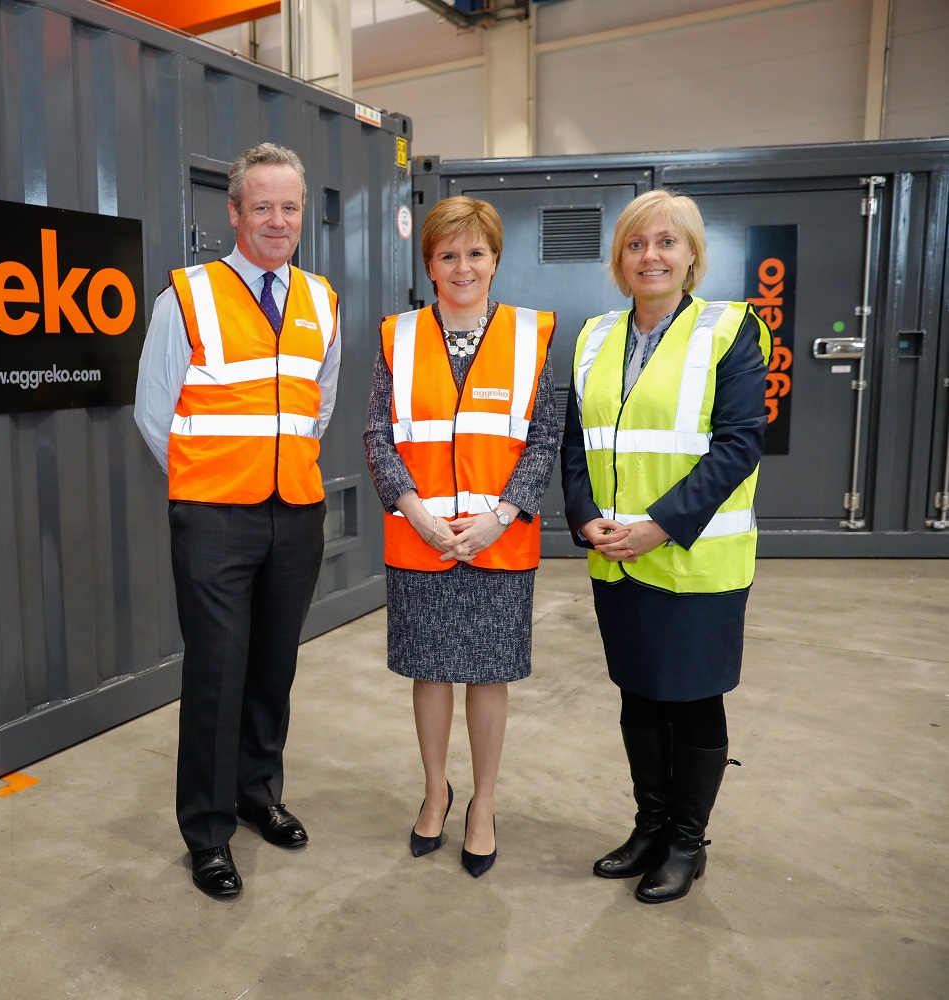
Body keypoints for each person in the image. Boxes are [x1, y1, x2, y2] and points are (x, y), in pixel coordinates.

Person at [134, 142, 341, 899]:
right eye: (263, 206)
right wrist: (206, 485)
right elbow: (155, 413)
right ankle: (208, 831)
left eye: (290, 207)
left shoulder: (321, 299)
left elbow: (320, 400)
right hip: (215, 517)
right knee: (217, 673)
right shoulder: (184, 297)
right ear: (233, 212)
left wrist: (283, 472)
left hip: (296, 514)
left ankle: (260, 794)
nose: (278, 220)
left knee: (272, 668)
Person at [560, 189, 771, 904]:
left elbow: (739, 444)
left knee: (692, 699)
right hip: (615, 555)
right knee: (639, 693)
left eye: (666, 243)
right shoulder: (594, 338)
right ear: (619, 260)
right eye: (636, 244)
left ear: (691, 257)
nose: (650, 256)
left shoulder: (728, 330)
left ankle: (687, 842)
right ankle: (649, 826)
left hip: (694, 557)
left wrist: (657, 523)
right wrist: (585, 515)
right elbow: (574, 444)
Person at [363, 195, 557, 878]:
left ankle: (484, 804)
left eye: (476, 253)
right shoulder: (400, 334)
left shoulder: (534, 334)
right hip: (421, 537)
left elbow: (543, 438)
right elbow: (378, 434)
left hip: (497, 539)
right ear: (430, 264)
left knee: (489, 674)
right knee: (430, 671)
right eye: (448, 254)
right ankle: (435, 790)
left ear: (496, 260)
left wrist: (500, 515)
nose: (463, 266)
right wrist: (411, 507)